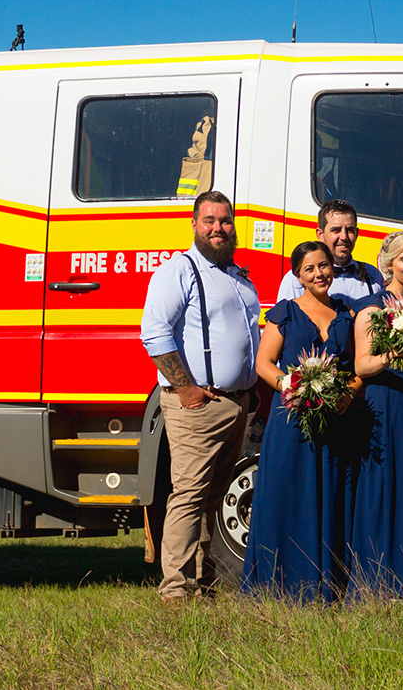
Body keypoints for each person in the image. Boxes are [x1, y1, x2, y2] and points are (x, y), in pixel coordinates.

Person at [140, 191, 264, 602]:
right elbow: (154, 333)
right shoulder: (179, 271)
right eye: (209, 220)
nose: (218, 228)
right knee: (189, 495)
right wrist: (187, 389)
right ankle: (174, 591)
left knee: (212, 497)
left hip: (235, 403)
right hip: (198, 405)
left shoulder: (237, 276)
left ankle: (202, 581)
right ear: (194, 224)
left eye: (225, 221)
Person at [242, 239, 362, 600]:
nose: (319, 273)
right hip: (292, 420)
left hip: (337, 421)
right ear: (298, 275)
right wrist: (292, 387)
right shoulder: (286, 312)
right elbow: (264, 364)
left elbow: (357, 368)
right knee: (289, 495)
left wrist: (349, 392)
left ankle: (331, 583)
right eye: (309, 268)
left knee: (332, 495)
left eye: (323, 266)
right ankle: (282, 583)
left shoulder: (347, 313)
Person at [345, 229, 403, 592]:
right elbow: (362, 366)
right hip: (386, 403)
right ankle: (376, 576)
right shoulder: (372, 308)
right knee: (384, 485)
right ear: (389, 264)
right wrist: (395, 353)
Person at [276, 200, 383, 304]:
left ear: (357, 233)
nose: (344, 237)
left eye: (350, 230)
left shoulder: (373, 274)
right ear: (320, 234)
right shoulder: (297, 279)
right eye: (336, 230)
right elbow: (283, 319)